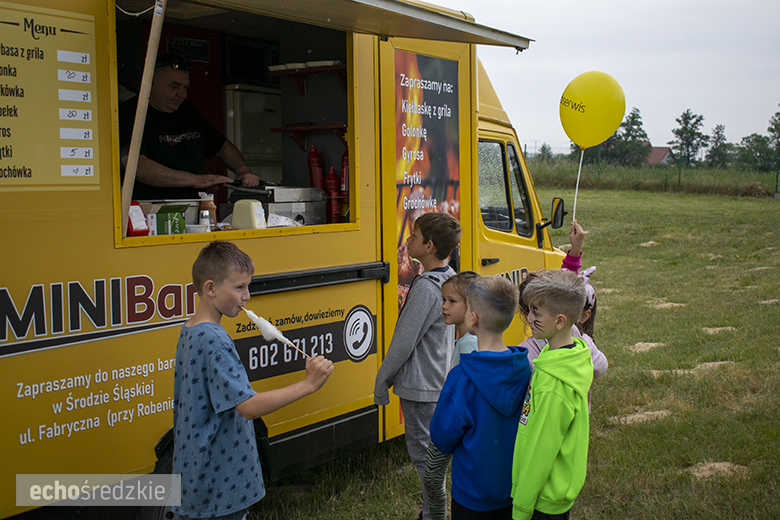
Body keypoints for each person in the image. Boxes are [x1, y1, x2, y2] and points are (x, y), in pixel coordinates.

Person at [172, 241, 334, 519]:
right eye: (239, 287)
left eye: (248, 286)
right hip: (218, 483)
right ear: (210, 288)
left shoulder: (190, 329)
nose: (247, 295)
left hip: (195, 475)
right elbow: (248, 407)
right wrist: (308, 384)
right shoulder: (213, 340)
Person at [374, 211, 462, 520]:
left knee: (426, 461)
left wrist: (382, 380)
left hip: (421, 387)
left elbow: (404, 341)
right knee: (434, 457)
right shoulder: (448, 280)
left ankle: (432, 515)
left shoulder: (425, 288)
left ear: (429, 246)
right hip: (438, 380)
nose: (408, 240)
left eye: (413, 236)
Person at [428, 276, 531, 520]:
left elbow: (442, 437)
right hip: (513, 492)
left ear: (472, 318)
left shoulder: (461, 378)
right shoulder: (526, 369)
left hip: (471, 497)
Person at [119, 53, 261, 201]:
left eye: (185, 87)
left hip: (194, 207)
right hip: (149, 209)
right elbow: (136, 166)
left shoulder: (186, 111)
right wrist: (195, 180)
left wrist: (243, 169)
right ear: (152, 82)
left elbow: (221, 145)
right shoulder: (130, 114)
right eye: (174, 86)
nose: (182, 94)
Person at [510, 270, 593, 520]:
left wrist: (521, 508)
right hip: (551, 494)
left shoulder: (553, 384)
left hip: (540, 501)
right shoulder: (565, 356)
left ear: (560, 321)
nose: (529, 317)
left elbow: (541, 450)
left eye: (536, 312)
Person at [423, 270, 480, 520]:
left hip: (454, 424)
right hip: (457, 423)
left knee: (432, 476)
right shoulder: (465, 339)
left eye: (452, 301)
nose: (444, 306)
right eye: (443, 299)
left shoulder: (469, 344)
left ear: (472, 307)